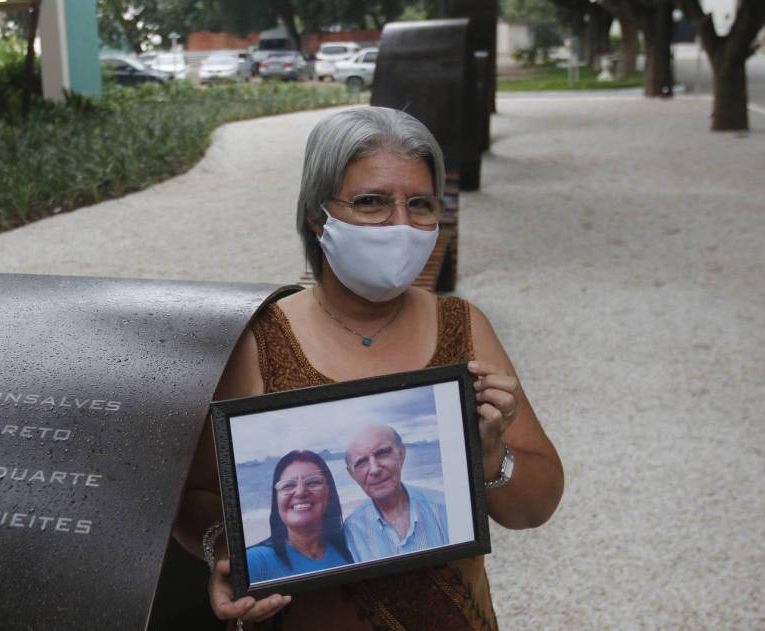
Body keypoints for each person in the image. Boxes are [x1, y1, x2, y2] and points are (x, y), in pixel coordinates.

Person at [174, 107, 564, 630]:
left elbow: (535, 507)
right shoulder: (259, 339)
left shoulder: (463, 328)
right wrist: (228, 554)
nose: (400, 225)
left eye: (420, 204)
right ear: (318, 215)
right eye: (372, 202)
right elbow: (194, 499)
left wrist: (492, 457)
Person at [342, 424, 448, 562]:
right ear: (352, 474)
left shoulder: (445, 508)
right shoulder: (352, 531)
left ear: (401, 455)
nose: (374, 470)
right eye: (361, 462)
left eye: (382, 454)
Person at [245, 450, 354, 583]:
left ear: (329, 492)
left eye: (313, 482)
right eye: (288, 485)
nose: (301, 492)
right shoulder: (254, 562)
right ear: (276, 499)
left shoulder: (351, 548)